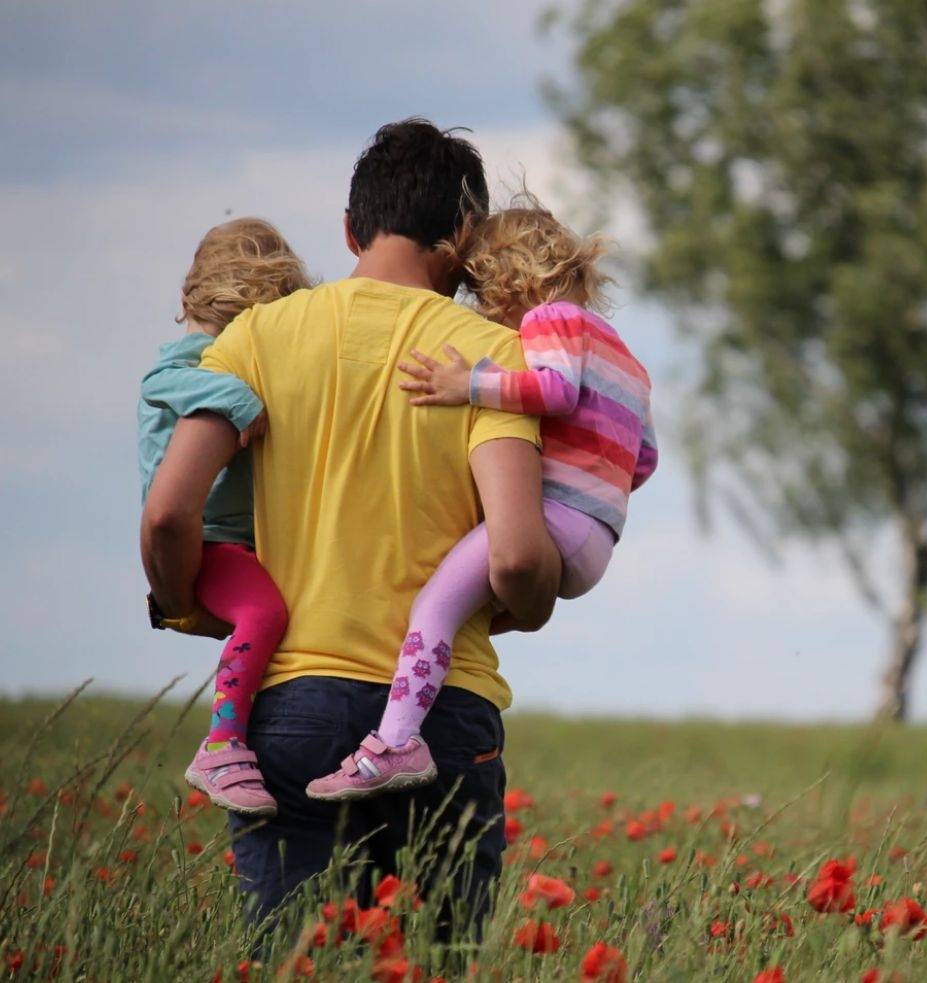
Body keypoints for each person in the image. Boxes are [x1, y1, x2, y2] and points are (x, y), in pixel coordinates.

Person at [140, 118, 561, 926]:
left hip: (291, 704)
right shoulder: (490, 357)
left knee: (297, 957)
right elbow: (513, 557)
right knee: (438, 963)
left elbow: (167, 512)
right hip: (443, 715)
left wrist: (188, 601)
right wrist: (531, 603)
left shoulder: (253, 338)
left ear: (348, 228)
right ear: (464, 235)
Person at [306, 201, 657, 801]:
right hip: (598, 537)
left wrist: (465, 384)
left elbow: (553, 389)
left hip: (555, 520)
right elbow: (643, 459)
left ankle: (395, 743)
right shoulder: (628, 358)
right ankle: (413, 716)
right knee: (464, 609)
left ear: (509, 280)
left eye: (481, 293)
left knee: (433, 608)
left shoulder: (551, 321)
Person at [138, 218, 310, 817]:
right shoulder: (194, 359)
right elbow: (162, 381)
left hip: (236, 540)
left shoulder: (221, 352)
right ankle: (223, 743)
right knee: (264, 612)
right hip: (209, 541)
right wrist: (240, 399)